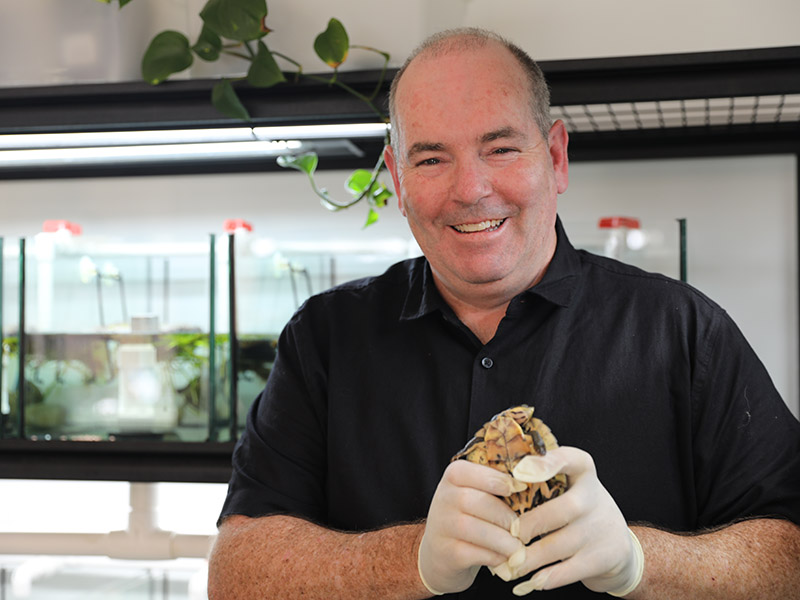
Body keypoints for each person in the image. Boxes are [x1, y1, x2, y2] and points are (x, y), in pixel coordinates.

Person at [208, 28, 800, 599]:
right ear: (397, 179)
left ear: (556, 157)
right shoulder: (325, 340)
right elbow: (234, 575)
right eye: (433, 159)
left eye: (501, 148)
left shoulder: (685, 333)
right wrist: (412, 559)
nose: (471, 188)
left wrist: (638, 560)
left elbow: (789, 560)